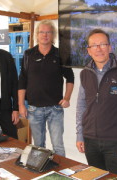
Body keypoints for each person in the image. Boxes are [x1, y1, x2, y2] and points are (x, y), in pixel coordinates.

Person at [76, 29, 117, 177]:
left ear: (110, 47)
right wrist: (80, 135)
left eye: (103, 44)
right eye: (94, 45)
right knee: (95, 178)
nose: (98, 49)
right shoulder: (85, 73)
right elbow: (81, 106)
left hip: (115, 141)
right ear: (88, 51)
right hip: (90, 140)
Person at [18, 20, 74, 157]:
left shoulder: (60, 54)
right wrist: (21, 105)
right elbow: (22, 80)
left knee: (58, 146)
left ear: (53, 35)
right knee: (38, 147)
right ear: (37, 35)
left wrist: (67, 98)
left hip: (55, 108)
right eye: (42, 32)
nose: (45, 35)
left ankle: (62, 175)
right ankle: (41, 175)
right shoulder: (28, 54)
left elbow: (70, 78)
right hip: (34, 109)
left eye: (48, 32)